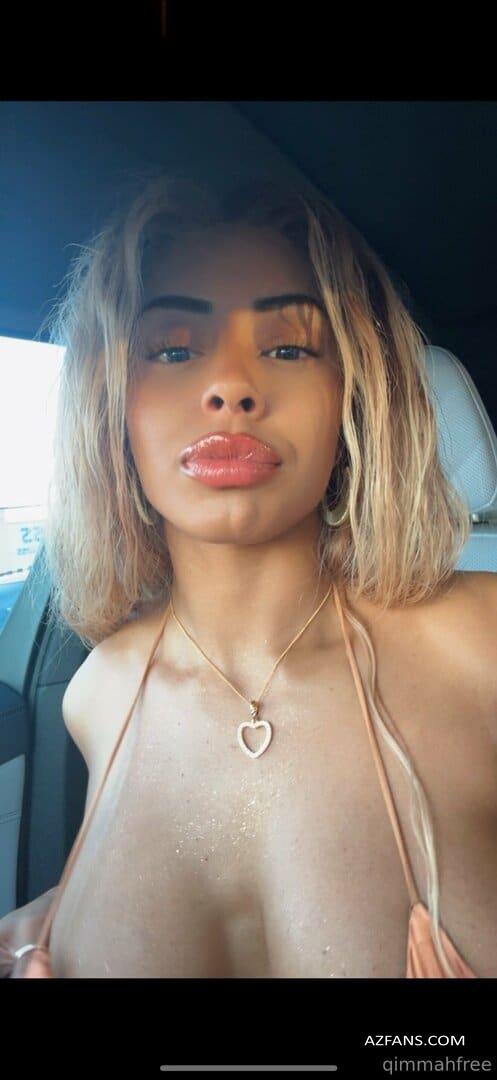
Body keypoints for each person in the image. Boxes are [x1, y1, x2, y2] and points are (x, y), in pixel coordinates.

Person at [2, 172, 496, 978]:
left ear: (351, 396)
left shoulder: (481, 643)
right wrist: (60, 914)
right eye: (172, 349)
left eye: (288, 347)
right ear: (111, 406)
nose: (229, 387)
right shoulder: (98, 692)